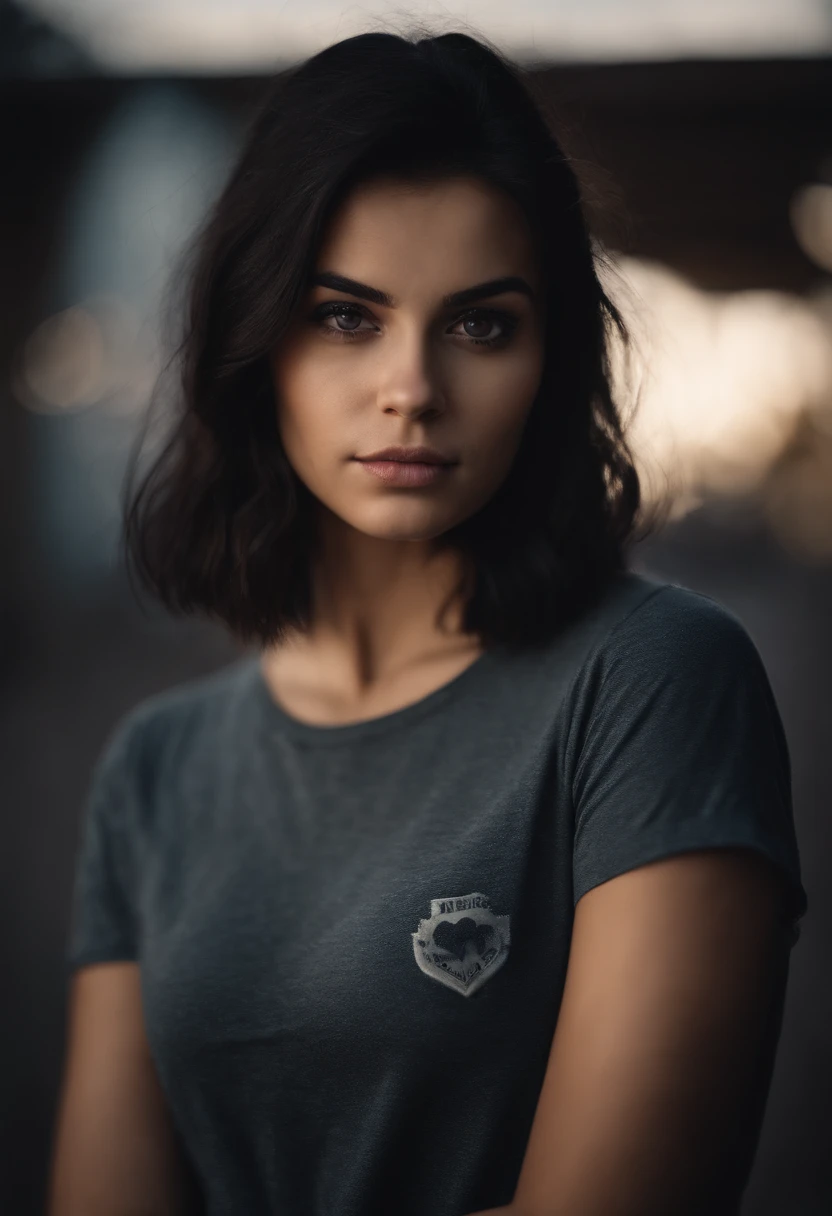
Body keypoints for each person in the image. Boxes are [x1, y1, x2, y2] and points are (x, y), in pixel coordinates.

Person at [47, 24, 808, 1216]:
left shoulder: (652, 684)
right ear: (258, 347)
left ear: (549, 362)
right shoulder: (155, 770)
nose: (411, 384)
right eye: (345, 315)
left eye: (479, 323)